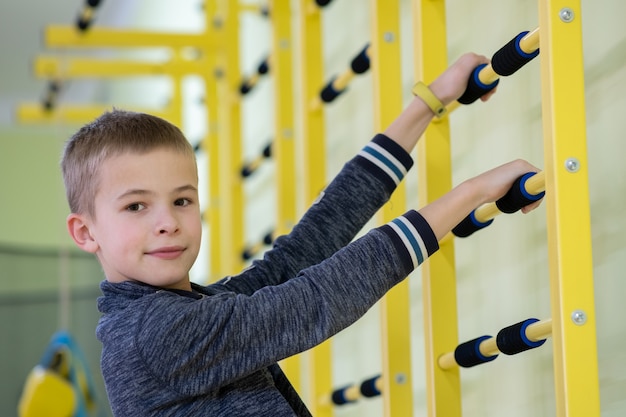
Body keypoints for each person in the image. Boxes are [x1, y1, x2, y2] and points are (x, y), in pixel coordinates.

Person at [62, 52, 542, 417]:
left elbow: (308, 247)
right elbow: (316, 299)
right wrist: (470, 192)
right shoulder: (155, 336)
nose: (166, 221)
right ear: (86, 232)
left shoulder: (186, 310)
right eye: (136, 206)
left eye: (182, 200)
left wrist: (429, 102)